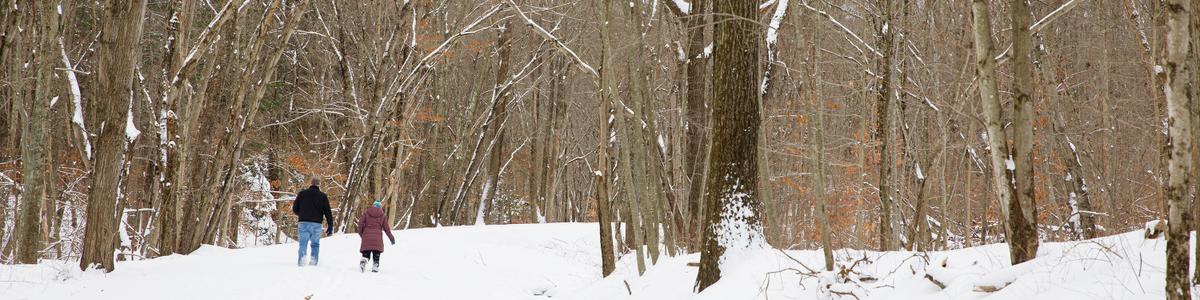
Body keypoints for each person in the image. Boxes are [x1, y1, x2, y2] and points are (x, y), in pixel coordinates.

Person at [292, 177, 333, 267]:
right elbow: (327, 212)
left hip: (303, 223)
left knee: (303, 243)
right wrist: (330, 225)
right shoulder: (323, 196)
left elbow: (295, 208)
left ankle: (302, 261)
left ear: (311, 183)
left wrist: (301, 214)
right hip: (316, 224)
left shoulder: (302, 194)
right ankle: (314, 262)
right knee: (315, 244)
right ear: (319, 185)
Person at [357, 200, 395, 273]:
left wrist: (362, 234)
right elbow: (387, 229)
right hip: (377, 238)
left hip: (366, 236)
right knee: (376, 254)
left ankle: (364, 260)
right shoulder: (382, 215)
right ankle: (375, 266)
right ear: (380, 207)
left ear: (373, 205)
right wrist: (392, 238)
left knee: (366, 253)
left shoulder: (366, 213)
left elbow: (360, 224)